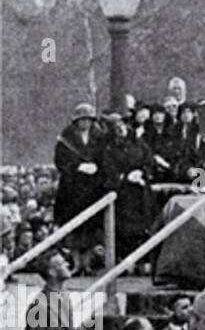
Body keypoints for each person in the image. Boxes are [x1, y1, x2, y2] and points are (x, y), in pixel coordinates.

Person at [52, 103, 104, 275]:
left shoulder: (99, 137)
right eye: (82, 120)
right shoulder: (66, 139)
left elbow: (105, 158)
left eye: (89, 120)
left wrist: (96, 168)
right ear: (76, 121)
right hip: (72, 189)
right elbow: (60, 161)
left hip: (92, 188)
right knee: (73, 227)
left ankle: (88, 263)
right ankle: (75, 263)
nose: (86, 123)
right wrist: (77, 167)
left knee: (91, 228)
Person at [99, 111, 157, 256]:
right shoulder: (108, 147)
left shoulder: (138, 143)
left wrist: (142, 173)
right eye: (115, 126)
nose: (120, 128)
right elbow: (107, 169)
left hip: (140, 192)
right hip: (122, 195)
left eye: (122, 124)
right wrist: (124, 178)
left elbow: (149, 160)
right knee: (123, 229)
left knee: (144, 225)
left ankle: (142, 260)